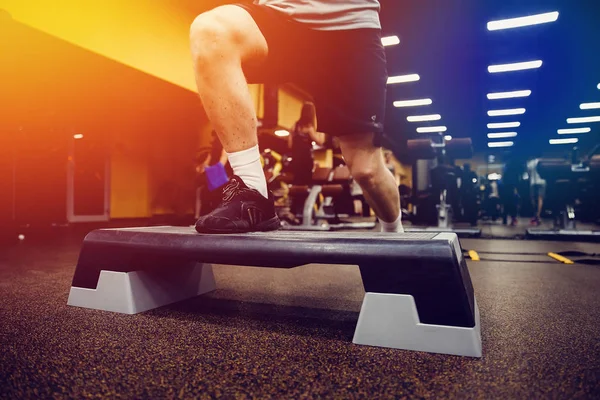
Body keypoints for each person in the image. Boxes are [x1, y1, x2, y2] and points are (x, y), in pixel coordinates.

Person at [190, 0, 402, 234]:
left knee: (366, 171)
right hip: (282, 20)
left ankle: (394, 231)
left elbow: (320, 141)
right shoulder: (219, 140)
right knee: (211, 30)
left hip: (349, 31)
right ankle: (252, 189)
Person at [288, 102, 325, 185]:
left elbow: (289, 145)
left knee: (297, 181)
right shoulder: (309, 128)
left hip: (296, 160)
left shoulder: (295, 126)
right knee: (306, 182)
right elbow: (320, 141)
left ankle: (295, 197)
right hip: (306, 160)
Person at [527, 157, 546, 226]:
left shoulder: (530, 163)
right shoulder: (542, 161)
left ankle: (535, 215)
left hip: (533, 183)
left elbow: (528, 174)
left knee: (533, 199)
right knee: (540, 199)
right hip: (542, 181)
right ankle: (538, 215)